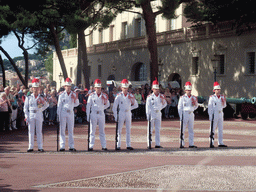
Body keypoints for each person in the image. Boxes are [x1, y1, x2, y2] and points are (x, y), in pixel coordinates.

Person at [24, 78, 49, 152]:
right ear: (32, 88)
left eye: (37, 88)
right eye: (34, 88)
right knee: (31, 131)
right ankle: (30, 146)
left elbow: (46, 105)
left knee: (39, 131)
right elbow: (25, 108)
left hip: (38, 114)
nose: (35, 89)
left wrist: (40, 109)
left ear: (39, 89)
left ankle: (40, 147)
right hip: (31, 114)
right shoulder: (28, 97)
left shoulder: (41, 97)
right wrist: (26, 116)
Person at [112, 79, 138, 150]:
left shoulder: (131, 95)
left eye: (126, 88)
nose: (125, 89)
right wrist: (115, 116)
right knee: (119, 129)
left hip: (128, 113)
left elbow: (136, 105)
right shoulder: (119, 96)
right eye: (124, 88)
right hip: (121, 112)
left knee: (128, 129)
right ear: (121, 88)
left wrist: (130, 107)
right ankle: (118, 145)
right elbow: (114, 107)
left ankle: (128, 144)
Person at [86, 79, 110, 151]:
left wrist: (103, 107)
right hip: (93, 113)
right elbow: (88, 106)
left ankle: (104, 146)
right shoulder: (91, 95)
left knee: (102, 131)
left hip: (101, 113)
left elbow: (107, 104)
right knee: (92, 131)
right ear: (94, 88)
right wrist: (88, 116)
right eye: (97, 87)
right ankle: (91, 146)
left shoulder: (104, 95)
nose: (98, 89)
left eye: (99, 88)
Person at [57, 78, 79, 152]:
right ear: (64, 86)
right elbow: (59, 106)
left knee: (70, 130)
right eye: (67, 86)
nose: (68, 87)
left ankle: (71, 146)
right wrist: (58, 116)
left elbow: (77, 104)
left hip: (70, 112)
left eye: (69, 86)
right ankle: (62, 146)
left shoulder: (73, 94)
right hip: (63, 112)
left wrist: (75, 99)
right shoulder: (62, 95)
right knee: (62, 129)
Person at [146, 78, 167, 148]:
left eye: (157, 89)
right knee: (150, 129)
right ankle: (149, 143)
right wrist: (147, 115)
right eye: (155, 89)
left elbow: (165, 104)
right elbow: (147, 107)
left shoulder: (161, 96)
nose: (157, 90)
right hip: (151, 113)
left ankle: (157, 144)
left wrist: (161, 105)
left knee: (158, 129)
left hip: (158, 113)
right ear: (152, 89)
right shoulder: (149, 97)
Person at [178, 81, 198, 148]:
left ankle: (191, 144)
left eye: (190, 90)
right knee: (182, 129)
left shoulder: (194, 98)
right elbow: (179, 107)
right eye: (187, 90)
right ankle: (181, 143)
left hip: (191, 114)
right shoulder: (182, 98)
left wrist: (194, 105)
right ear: (185, 90)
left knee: (191, 129)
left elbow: (196, 106)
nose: (189, 91)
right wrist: (181, 116)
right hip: (185, 113)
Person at [208, 82, 227, 148]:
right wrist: (210, 116)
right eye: (217, 89)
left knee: (220, 128)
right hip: (214, 113)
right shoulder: (212, 97)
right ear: (214, 90)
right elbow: (210, 108)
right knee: (212, 128)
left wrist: (223, 102)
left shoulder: (222, 97)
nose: (218, 91)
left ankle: (220, 142)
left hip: (220, 113)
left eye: (219, 89)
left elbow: (224, 106)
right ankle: (211, 142)